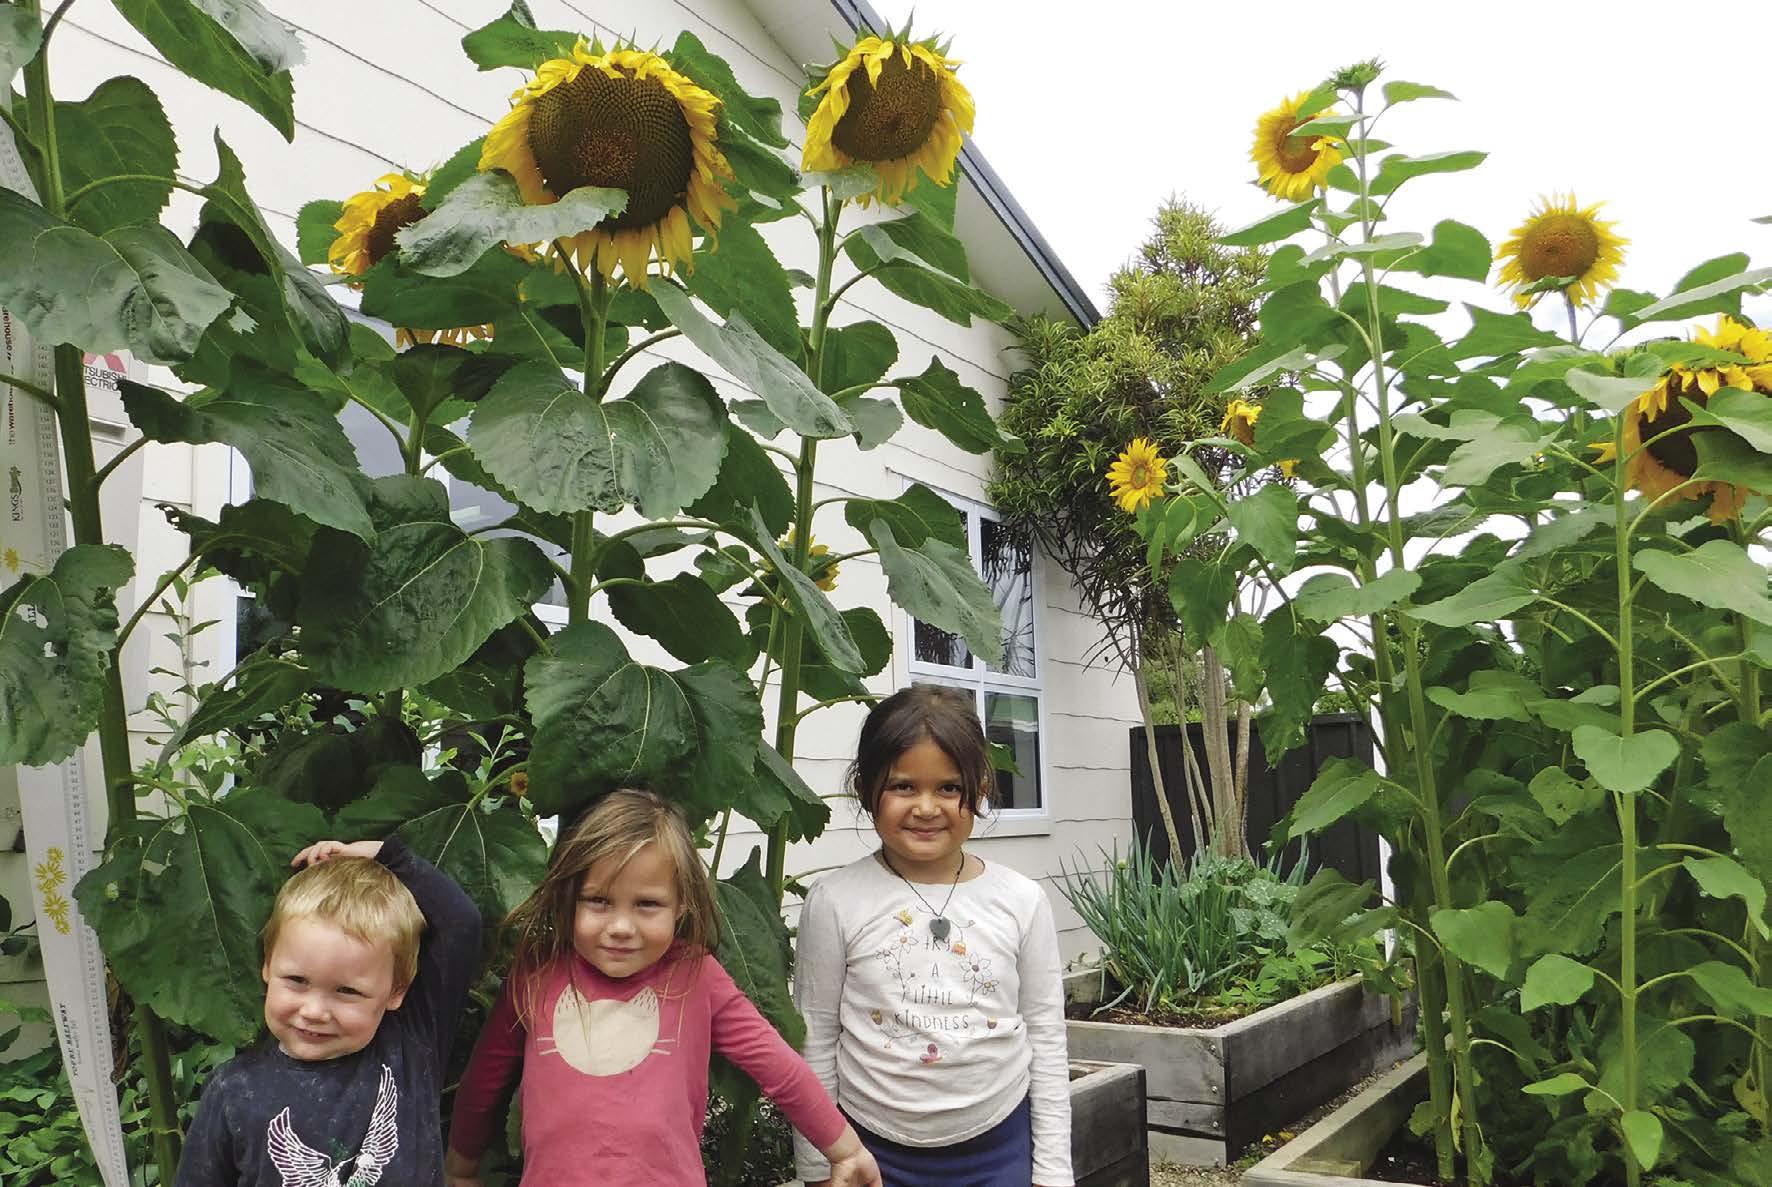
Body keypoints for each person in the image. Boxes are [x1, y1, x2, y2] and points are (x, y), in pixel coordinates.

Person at [444, 788, 882, 1187]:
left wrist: (845, 1149)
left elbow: (779, 1067)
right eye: (598, 900)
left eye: (647, 904)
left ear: (681, 905)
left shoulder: (696, 977)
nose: (621, 926)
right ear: (569, 896)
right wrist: (460, 1169)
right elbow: (485, 1081)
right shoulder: (536, 975)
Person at [793, 686, 1075, 1187]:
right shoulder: (834, 900)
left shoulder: (1021, 900)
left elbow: (1047, 1038)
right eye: (903, 786)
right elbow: (815, 1038)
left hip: (998, 1148)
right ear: (864, 787)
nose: (926, 807)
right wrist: (819, 1165)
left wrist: (1053, 1173)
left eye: (948, 788)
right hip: (868, 1152)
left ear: (980, 789)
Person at [176, 836, 482, 1187]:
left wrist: (387, 855)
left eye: (347, 991)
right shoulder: (232, 1090)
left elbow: (461, 924)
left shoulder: (412, 1045)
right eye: (297, 980)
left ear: (396, 990)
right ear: (267, 965)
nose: (315, 1011)